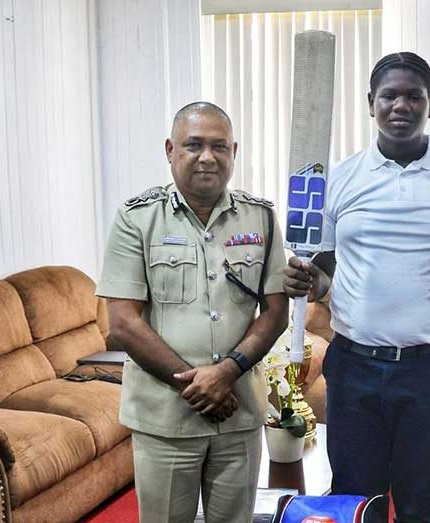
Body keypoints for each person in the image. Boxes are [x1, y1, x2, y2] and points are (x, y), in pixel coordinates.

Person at [283, 52, 430, 523]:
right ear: (371, 103)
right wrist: (310, 280)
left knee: (419, 503)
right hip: (353, 367)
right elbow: (325, 271)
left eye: (414, 96)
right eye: (390, 95)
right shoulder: (340, 178)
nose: (401, 105)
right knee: (354, 499)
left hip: (429, 372)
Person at [96, 101, 288, 523]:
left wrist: (225, 375)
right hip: (165, 419)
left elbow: (276, 313)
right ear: (170, 150)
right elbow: (123, 323)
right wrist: (196, 386)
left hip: (237, 413)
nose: (207, 157)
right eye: (194, 145)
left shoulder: (262, 217)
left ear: (234, 151)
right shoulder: (136, 219)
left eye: (219, 146)